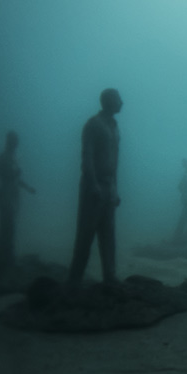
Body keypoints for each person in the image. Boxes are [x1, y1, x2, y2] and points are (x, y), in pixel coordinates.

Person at [68, 88, 123, 286]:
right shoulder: (94, 125)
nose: (122, 102)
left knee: (108, 235)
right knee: (85, 235)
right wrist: (93, 185)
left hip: (108, 187)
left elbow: (115, 161)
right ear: (108, 101)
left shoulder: (114, 127)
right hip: (94, 186)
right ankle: (74, 280)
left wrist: (115, 189)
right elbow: (87, 157)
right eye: (118, 99)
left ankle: (110, 276)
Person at [0, 131, 36, 266]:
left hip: (14, 196)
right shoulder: (3, 157)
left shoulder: (14, 158)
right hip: (5, 195)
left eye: (16, 141)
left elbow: (17, 179)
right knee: (6, 226)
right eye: (14, 141)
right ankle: (2, 257)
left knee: (11, 227)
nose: (16, 144)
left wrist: (28, 188)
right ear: (9, 142)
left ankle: (8, 257)